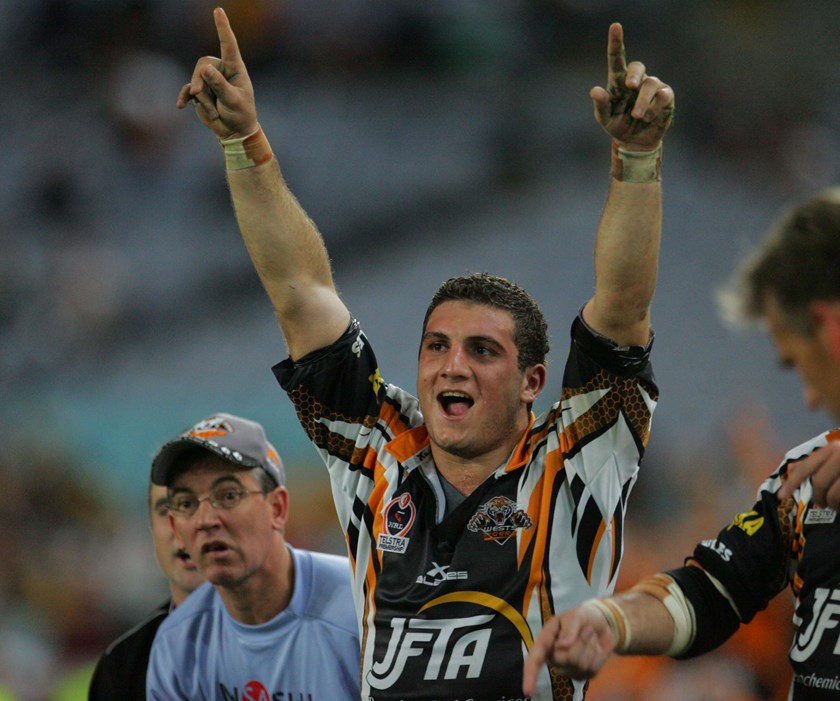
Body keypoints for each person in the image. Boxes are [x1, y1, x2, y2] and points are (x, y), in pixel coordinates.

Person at [176, 9, 674, 700]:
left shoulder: (576, 464)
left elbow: (620, 306)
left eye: (481, 349)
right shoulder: (376, 453)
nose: (452, 365)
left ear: (534, 380)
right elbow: (302, 293)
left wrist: (638, 159)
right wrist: (242, 142)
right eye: (436, 345)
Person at [523, 188, 840, 700]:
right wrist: (614, 620)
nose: (806, 396)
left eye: (797, 359)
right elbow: (711, 589)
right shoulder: (803, 484)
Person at [145, 412, 360, 700]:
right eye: (186, 503)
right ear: (175, 528)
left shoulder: (364, 613)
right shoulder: (177, 645)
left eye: (229, 495)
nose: (205, 520)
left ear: (277, 508)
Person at [88, 480, 205, 700]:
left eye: (190, 506)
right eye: (164, 510)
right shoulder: (123, 665)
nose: (179, 528)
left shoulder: (285, 642)